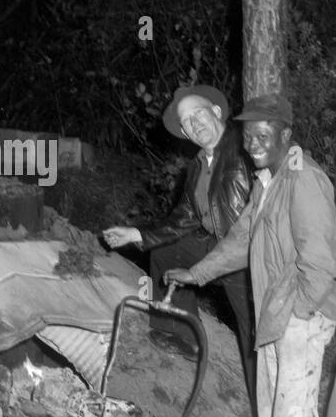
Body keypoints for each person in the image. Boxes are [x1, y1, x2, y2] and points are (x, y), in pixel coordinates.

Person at [164, 94, 336, 417]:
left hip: (298, 315)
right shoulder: (268, 182)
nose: (253, 143)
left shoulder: (304, 181)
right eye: (248, 137)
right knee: (271, 414)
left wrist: (299, 314)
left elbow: (322, 262)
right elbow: (242, 238)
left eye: (264, 135)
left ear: (286, 135)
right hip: (275, 314)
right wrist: (197, 272)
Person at [103, 86, 256, 390]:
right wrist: (137, 233)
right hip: (214, 245)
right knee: (167, 250)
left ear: (216, 112)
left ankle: (264, 411)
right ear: (185, 133)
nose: (195, 123)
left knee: (254, 336)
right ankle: (180, 334)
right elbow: (184, 216)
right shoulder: (199, 165)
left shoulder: (246, 148)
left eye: (199, 113)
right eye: (187, 122)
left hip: (247, 257)